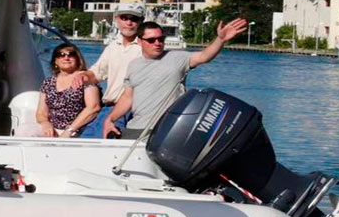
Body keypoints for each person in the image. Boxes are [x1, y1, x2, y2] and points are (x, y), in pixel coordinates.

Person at [102, 18, 247, 139]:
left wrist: (220, 40)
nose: (157, 43)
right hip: (136, 127)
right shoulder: (134, 65)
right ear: (140, 41)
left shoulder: (178, 57)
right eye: (151, 40)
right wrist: (110, 119)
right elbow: (127, 97)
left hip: (167, 129)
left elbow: (204, 56)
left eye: (161, 39)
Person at [83, 4, 145, 133]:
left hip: (132, 111)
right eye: (124, 18)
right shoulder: (113, 47)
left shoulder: (146, 47)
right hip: (108, 108)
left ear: (141, 21)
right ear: (116, 19)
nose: (129, 23)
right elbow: (97, 73)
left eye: (134, 19)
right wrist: (81, 77)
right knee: (87, 137)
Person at [37, 43, 100, 138]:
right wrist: (45, 123)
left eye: (71, 54)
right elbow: (41, 112)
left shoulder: (85, 78)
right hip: (52, 129)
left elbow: (93, 108)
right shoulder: (48, 82)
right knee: (24, 131)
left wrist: (69, 131)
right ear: (55, 61)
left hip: (78, 130)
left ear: (77, 59)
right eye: (61, 55)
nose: (66, 58)